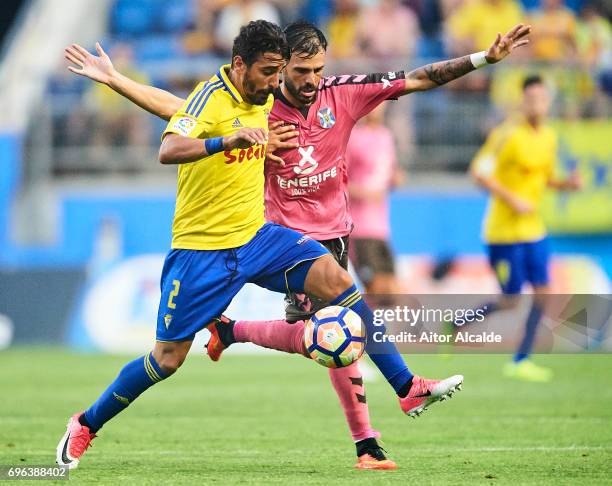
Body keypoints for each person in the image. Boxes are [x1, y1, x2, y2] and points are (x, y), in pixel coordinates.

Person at [64, 20, 530, 469]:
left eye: (305, 70)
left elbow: (417, 78)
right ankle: (87, 422)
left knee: (339, 284)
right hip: (201, 251)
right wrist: (227, 139)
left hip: (260, 237)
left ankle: (405, 388)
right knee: (167, 360)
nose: (289, 81)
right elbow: (173, 134)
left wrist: (482, 59)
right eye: (278, 71)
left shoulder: (282, 97)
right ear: (247, 64)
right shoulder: (226, 99)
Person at [469, 74, 582, 382]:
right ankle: (457, 325)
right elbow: (478, 172)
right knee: (511, 300)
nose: (537, 104)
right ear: (522, 101)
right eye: (531, 98)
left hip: (533, 229)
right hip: (503, 233)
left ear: (548, 102)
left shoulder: (548, 136)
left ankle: (521, 359)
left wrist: (566, 185)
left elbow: (543, 178)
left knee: (544, 292)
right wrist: (512, 198)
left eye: (542, 99)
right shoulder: (506, 134)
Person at [347, 103, 404, 294]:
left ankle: (377, 323)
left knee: (392, 288)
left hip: (381, 226)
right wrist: (363, 192)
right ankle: (365, 323)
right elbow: (338, 179)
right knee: (375, 288)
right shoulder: (353, 137)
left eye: (381, 104)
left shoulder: (386, 136)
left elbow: (389, 171)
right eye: (373, 103)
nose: (376, 108)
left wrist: (395, 178)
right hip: (360, 227)